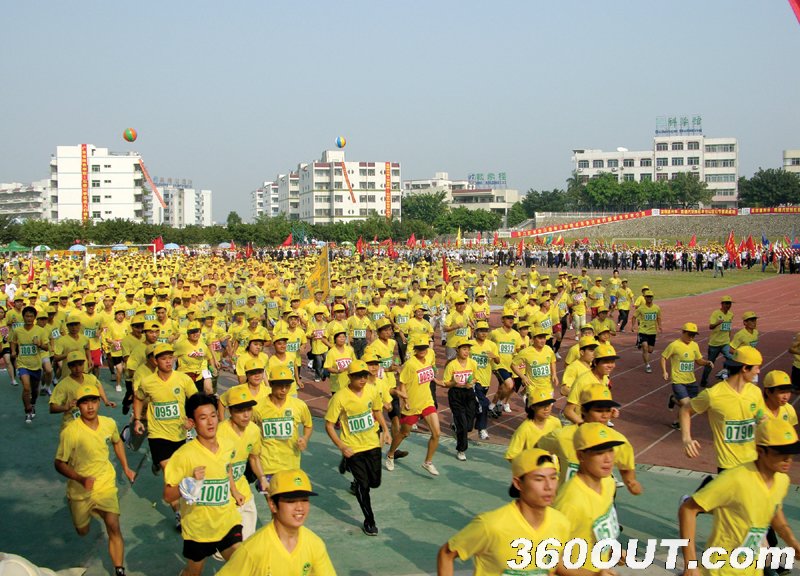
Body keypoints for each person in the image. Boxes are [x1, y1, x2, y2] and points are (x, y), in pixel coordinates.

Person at [678, 418, 800, 576]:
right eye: (780, 453)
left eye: (791, 453)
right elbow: (687, 509)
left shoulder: (782, 480)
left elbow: (774, 511)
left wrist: (791, 541)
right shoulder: (735, 480)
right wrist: (691, 565)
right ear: (761, 451)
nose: (788, 459)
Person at [437, 448, 576, 576]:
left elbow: (552, 565)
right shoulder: (491, 525)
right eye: (539, 479)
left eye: (553, 477)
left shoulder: (561, 523)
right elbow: (446, 554)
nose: (549, 486)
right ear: (518, 483)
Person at [54, 383, 136, 576]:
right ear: (78, 406)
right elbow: (59, 463)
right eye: (84, 402)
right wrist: (80, 479)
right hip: (79, 490)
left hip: (105, 484)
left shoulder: (109, 423)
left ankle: (119, 568)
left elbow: (117, 442)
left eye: (93, 401)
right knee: (82, 530)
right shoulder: (70, 431)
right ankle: (85, 512)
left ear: (99, 402)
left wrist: (125, 468)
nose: (90, 406)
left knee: (113, 525)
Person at [164, 393, 244, 576]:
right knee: (194, 573)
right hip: (198, 529)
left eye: (213, 415)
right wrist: (187, 484)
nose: (210, 422)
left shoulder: (228, 445)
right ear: (192, 422)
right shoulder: (184, 456)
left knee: (241, 564)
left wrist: (234, 490)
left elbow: (227, 468)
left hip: (227, 521)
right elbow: (168, 496)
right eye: (203, 418)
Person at [217, 469, 336, 576]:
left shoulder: (314, 544)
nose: (300, 507)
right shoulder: (253, 550)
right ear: (272, 505)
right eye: (291, 501)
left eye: (304, 500)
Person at [132, 343, 199, 526]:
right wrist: (138, 419)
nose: (168, 361)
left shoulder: (183, 379)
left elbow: (195, 400)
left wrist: (191, 419)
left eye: (170, 357)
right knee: (171, 473)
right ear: (155, 360)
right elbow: (138, 398)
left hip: (180, 434)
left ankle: (188, 505)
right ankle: (178, 514)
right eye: (163, 358)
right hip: (158, 435)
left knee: (186, 474)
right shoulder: (147, 382)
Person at [680, 346, 766, 481]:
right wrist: (686, 439)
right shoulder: (713, 394)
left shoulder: (755, 392)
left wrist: (762, 419)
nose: (759, 371)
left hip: (753, 462)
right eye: (757, 367)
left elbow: (760, 414)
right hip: (728, 465)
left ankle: (702, 495)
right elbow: (685, 410)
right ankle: (694, 499)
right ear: (745, 368)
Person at [325, 360, 390, 536]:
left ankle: (350, 471)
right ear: (349, 377)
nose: (362, 379)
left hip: (372, 443)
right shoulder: (339, 397)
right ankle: (369, 520)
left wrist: (385, 429)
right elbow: (329, 425)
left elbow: (377, 411)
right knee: (365, 485)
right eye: (358, 376)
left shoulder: (372, 390)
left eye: (364, 376)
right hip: (353, 448)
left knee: (375, 482)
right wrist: (341, 446)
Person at [553, 422, 627, 574]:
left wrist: (612, 548)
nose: (608, 459)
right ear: (581, 456)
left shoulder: (608, 483)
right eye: (599, 453)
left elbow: (598, 525)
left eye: (611, 450)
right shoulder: (570, 500)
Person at [218, 384, 268, 541]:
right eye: (240, 410)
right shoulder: (220, 433)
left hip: (243, 488)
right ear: (230, 411)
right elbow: (225, 467)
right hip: (223, 492)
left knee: (247, 540)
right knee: (224, 546)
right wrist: (234, 491)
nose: (246, 415)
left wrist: (262, 478)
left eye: (249, 410)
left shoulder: (253, 430)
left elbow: (254, 457)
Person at [386, 334, 442, 476]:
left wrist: (437, 378)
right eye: (419, 348)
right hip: (411, 404)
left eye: (425, 347)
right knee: (404, 433)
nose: (423, 350)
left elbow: (431, 369)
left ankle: (427, 462)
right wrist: (406, 401)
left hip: (427, 401)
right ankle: (391, 454)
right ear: (415, 349)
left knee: (436, 433)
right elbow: (402, 383)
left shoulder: (430, 356)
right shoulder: (410, 364)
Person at [662, 323, 713, 430]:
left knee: (691, 407)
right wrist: (665, 371)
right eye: (689, 334)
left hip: (691, 381)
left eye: (693, 335)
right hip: (678, 381)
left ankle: (677, 420)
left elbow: (698, 361)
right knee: (687, 404)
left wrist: (707, 362)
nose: (691, 337)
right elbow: (663, 357)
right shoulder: (674, 345)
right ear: (683, 332)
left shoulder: (694, 345)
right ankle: (674, 400)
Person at [10, 305, 50, 423]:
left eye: (31, 316)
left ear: (34, 318)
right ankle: (27, 410)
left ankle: (32, 404)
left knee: (34, 390)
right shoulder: (18, 330)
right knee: (26, 388)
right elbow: (13, 341)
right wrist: (13, 351)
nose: (29, 318)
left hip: (36, 365)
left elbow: (47, 347)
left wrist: (39, 345)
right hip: (23, 364)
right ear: (23, 317)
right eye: (26, 316)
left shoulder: (40, 331)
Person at [442, 337, 479, 461]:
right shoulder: (452, 365)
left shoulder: (472, 363)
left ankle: (455, 427)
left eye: (468, 349)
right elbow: (446, 382)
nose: (466, 352)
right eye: (464, 349)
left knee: (469, 425)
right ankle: (461, 449)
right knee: (463, 424)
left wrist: (471, 382)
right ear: (457, 350)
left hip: (469, 393)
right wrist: (454, 383)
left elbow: (475, 378)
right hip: (456, 394)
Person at [505, 390, 561, 461]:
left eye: (549, 404)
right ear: (533, 407)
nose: (546, 408)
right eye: (542, 405)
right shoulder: (524, 429)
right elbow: (512, 456)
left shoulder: (555, 422)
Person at [700, 295, 734, 387]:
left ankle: (725, 376)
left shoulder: (731, 315)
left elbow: (729, 327)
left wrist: (729, 338)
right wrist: (717, 323)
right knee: (710, 363)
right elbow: (710, 326)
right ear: (722, 304)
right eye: (726, 303)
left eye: (730, 303)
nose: (728, 305)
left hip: (725, 343)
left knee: (730, 358)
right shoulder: (715, 313)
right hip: (714, 344)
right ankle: (703, 381)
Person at [632, 290, 661, 374]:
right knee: (645, 347)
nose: (649, 298)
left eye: (650, 297)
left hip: (652, 332)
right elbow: (634, 317)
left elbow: (659, 317)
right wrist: (633, 326)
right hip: (643, 331)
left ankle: (646, 354)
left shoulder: (657, 308)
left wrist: (660, 326)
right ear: (644, 298)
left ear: (653, 298)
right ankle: (647, 365)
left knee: (650, 350)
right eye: (647, 297)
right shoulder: (641, 308)